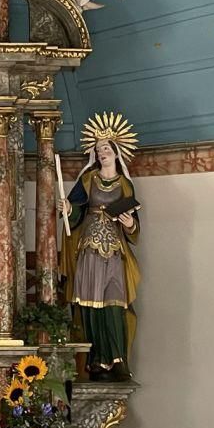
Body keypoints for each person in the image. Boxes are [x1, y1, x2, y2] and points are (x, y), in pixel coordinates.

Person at [62, 113, 141, 380]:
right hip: (90, 249)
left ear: (117, 152)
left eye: (106, 148)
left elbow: (134, 225)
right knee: (89, 303)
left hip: (114, 250)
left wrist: (129, 223)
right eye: (98, 150)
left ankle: (117, 358)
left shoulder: (125, 185)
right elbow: (74, 212)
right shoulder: (88, 180)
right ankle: (96, 361)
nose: (102, 153)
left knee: (114, 303)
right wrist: (68, 208)